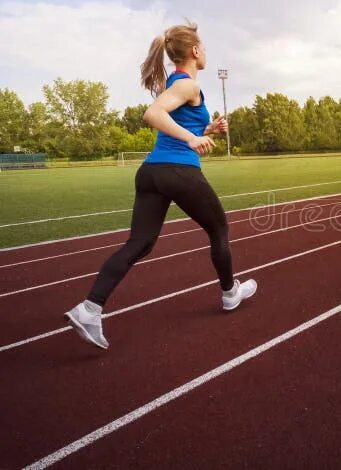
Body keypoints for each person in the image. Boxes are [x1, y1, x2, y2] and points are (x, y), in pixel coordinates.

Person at [65, 23, 256, 350]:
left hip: (152, 173)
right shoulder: (187, 86)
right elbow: (152, 114)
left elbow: (177, 125)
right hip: (177, 171)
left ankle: (90, 308)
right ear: (195, 51)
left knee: (140, 242)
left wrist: (208, 129)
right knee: (219, 229)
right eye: (204, 47)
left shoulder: (177, 85)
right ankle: (229, 294)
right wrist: (193, 137)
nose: (206, 52)